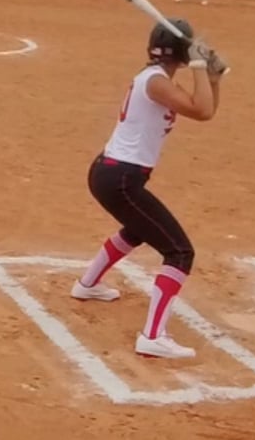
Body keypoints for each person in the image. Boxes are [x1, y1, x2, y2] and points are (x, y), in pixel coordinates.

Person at [70, 20, 225, 360]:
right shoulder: (155, 82)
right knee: (179, 252)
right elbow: (201, 110)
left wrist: (212, 77)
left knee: (138, 229)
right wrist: (199, 65)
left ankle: (87, 285)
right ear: (181, 53)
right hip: (120, 178)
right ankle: (152, 336)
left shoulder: (156, 79)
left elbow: (206, 111)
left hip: (115, 175)